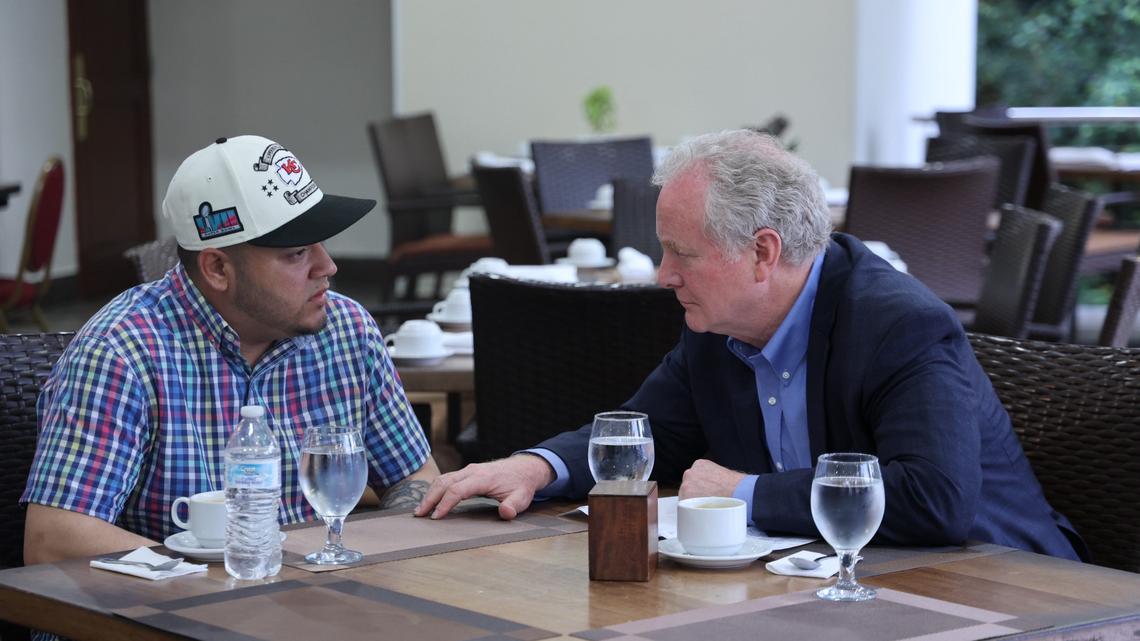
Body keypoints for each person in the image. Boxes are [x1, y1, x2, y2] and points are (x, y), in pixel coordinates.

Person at [417, 129, 1084, 560]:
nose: (663, 274)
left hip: (1007, 590)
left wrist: (747, 492)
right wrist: (537, 467)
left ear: (763, 252)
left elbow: (934, 499)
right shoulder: (718, 326)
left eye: (681, 252)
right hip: (842, 590)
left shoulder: (897, 324)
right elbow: (646, 432)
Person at [22, 135, 439, 564]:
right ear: (218, 268)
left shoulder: (346, 331)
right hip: (165, 615)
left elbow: (414, 476)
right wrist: (217, 581)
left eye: (322, 243)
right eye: (297, 253)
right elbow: (55, 539)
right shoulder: (122, 352)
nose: (327, 266)